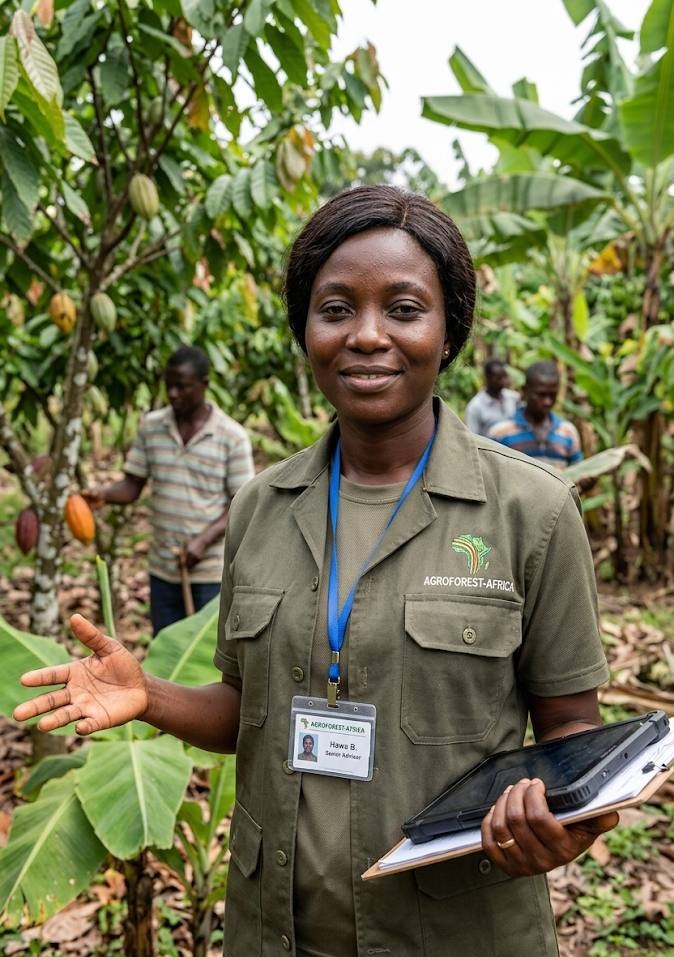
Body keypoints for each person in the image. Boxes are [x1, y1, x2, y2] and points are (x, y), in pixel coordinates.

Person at [14, 186, 617, 957]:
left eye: (403, 308)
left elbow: (573, 732)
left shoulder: (531, 511)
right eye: (337, 309)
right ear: (307, 327)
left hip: (456, 929)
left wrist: (560, 824)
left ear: (449, 327)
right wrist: (149, 695)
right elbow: (246, 709)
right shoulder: (262, 506)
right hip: (276, 931)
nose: (367, 335)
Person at [84, 345, 255, 634]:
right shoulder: (152, 427)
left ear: (203, 386)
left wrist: (202, 541)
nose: (173, 394)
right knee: (166, 649)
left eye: (183, 387)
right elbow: (132, 485)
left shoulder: (231, 436)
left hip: (211, 571)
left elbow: (243, 503)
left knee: (205, 657)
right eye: (169, 386)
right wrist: (100, 495)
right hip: (163, 568)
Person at [487, 360, 583, 469]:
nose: (547, 401)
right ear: (525, 391)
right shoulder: (500, 434)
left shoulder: (567, 432)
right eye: (541, 395)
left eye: (552, 395)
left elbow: (576, 474)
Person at [464, 358, 519, 435]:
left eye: (504, 377)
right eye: (499, 378)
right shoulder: (475, 407)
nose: (503, 381)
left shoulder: (513, 398)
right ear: (487, 378)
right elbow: (472, 437)